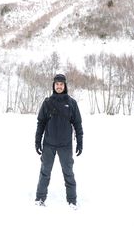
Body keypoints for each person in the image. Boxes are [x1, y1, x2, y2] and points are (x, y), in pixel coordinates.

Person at [35, 73, 83, 209]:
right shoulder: (47, 102)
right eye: (57, 84)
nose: (59, 86)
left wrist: (80, 142)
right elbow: (41, 123)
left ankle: (72, 200)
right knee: (45, 172)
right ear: (54, 85)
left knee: (68, 173)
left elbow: (78, 124)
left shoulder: (72, 103)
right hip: (48, 144)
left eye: (61, 84)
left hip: (65, 145)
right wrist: (37, 141)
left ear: (65, 85)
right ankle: (39, 198)